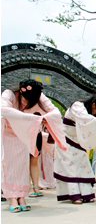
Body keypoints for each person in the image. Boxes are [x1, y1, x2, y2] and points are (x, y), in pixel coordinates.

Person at [1, 79, 66, 212]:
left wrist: (45, 118)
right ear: (21, 92)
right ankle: (12, 198)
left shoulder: (38, 95)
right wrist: (33, 119)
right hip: (6, 131)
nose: (26, 104)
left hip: (23, 132)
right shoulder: (9, 94)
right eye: (24, 100)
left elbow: (55, 112)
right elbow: (3, 109)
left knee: (22, 165)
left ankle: (21, 196)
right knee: (8, 165)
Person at [54, 91, 96, 204]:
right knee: (71, 169)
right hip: (66, 140)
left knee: (83, 167)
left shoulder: (93, 110)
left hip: (79, 142)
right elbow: (88, 120)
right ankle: (74, 195)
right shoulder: (77, 106)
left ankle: (86, 194)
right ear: (93, 104)